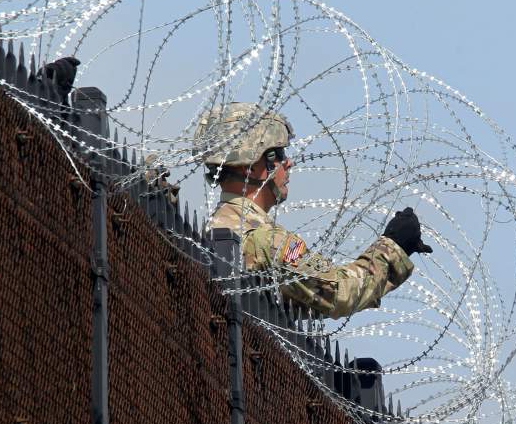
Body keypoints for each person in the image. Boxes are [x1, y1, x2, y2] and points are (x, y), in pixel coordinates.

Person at [164, 102, 433, 319]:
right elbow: (337, 292)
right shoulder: (265, 241)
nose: (288, 163)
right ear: (251, 167)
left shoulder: (211, 230)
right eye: (278, 154)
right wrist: (392, 248)